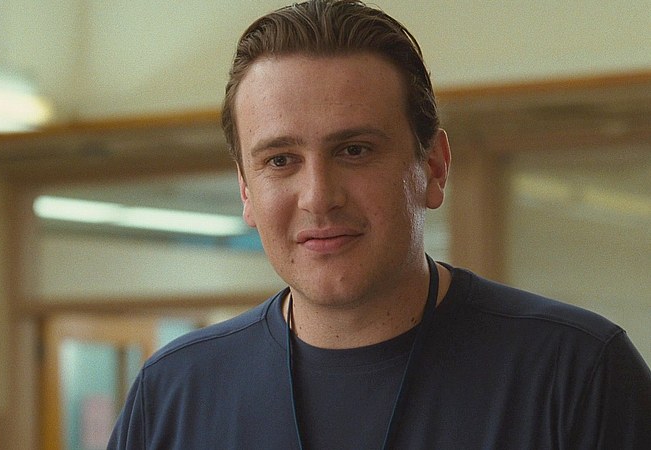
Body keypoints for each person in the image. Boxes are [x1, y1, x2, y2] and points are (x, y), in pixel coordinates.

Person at [108, 1, 651, 448]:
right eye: (280, 160)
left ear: (433, 167)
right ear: (246, 190)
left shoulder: (575, 374)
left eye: (355, 150)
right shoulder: (174, 394)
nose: (318, 197)